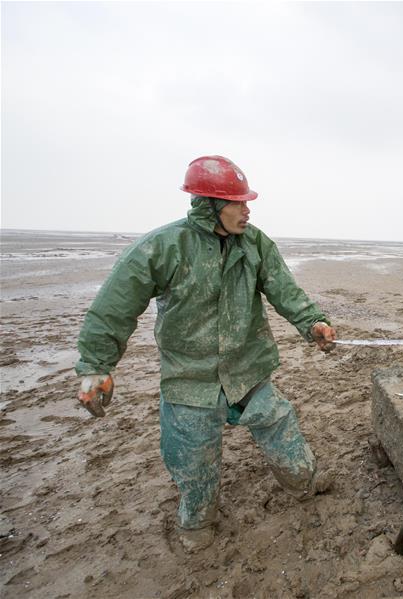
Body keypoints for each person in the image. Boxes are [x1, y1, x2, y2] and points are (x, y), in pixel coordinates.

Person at [75, 155, 337, 552]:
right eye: (239, 202)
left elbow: (285, 290)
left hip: (247, 369)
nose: (248, 210)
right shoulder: (162, 246)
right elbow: (113, 308)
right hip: (189, 378)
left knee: (280, 423)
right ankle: (197, 521)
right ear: (210, 203)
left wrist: (312, 323)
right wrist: (96, 368)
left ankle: (304, 482)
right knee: (193, 459)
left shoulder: (256, 244)